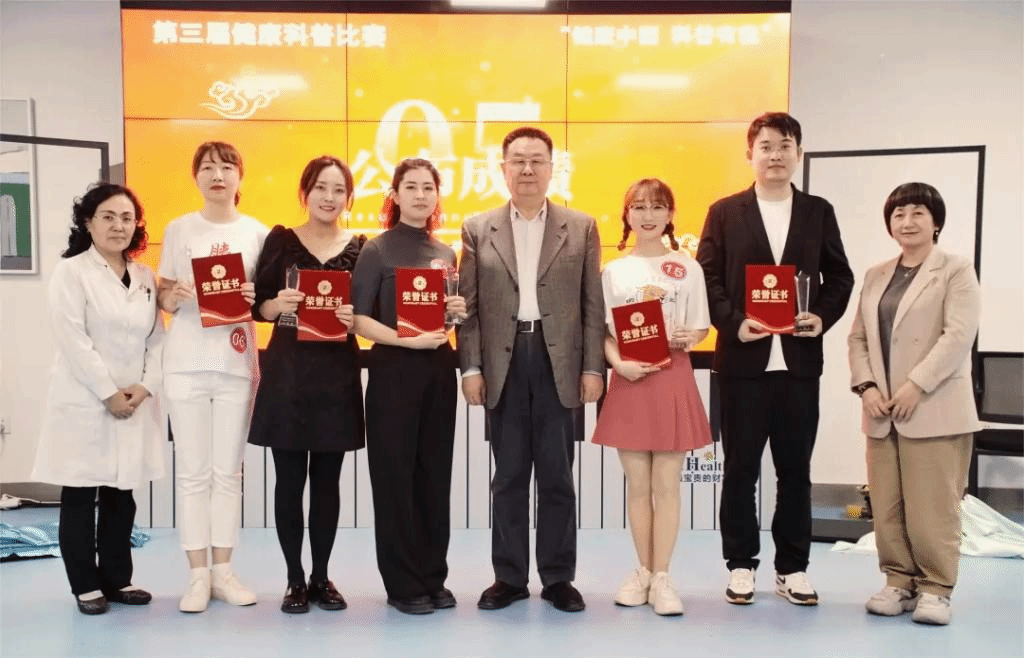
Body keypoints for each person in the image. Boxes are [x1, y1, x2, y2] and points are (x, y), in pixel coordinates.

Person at [695, 112, 853, 606]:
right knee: (740, 469)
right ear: (750, 154)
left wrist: (820, 317)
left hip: (798, 364)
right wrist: (732, 322)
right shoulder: (725, 212)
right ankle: (741, 565)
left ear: (798, 154)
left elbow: (840, 276)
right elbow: (707, 277)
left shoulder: (817, 211)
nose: (775, 155)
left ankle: (793, 568)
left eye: (785, 145)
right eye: (765, 146)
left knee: (795, 472)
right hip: (743, 364)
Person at [459, 126, 605, 613]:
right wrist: (471, 367)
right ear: (503, 169)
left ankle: (559, 578)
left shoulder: (580, 226)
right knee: (509, 476)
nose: (527, 169)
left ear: (551, 168)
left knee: (558, 475)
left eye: (536, 160)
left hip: (557, 359)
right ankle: (509, 577)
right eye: (517, 160)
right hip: (502, 361)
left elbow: (592, 304)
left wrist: (592, 367)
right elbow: (469, 308)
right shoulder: (478, 228)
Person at [848, 182, 980, 626]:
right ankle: (898, 582)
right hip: (881, 410)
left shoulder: (955, 270)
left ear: (935, 221)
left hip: (933, 406)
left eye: (918, 213)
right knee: (887, 505)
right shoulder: (876, 274)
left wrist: (916, 386)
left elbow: (958, 335)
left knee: (933, 508)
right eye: (899, 214)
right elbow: (858, 338)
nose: (907, 222)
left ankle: (936, 589)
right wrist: (866, 386)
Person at [32, 183, 164, 615]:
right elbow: (73, 339)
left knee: (121, 494)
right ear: (88, 222)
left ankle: (117, 578)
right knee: (80, 494)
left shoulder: (144, 277)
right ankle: (85, 585)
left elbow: (157, 339)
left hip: (133, 400)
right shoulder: (71, 272)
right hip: (86, 400)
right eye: (108, 216)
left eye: (127, 218)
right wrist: (108, 393)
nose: (118, 225)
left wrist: (145, 386)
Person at [248, 155, 366, 614]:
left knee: (328, 482)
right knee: (289, 480)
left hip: (337, 373)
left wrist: (354, 317)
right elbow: (258, 306)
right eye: (320, 188)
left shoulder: (361, 248)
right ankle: (294, 579)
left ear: (349, 198)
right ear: (305, 193)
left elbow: (369, 311)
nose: (329, 197)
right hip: (289, 373)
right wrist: (277, 304)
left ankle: (321, 576)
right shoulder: (280, 240)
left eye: (338, 190)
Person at [592, 179, 713, 616]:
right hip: (630, 378)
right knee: (638, 486)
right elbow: (603, 332)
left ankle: (662, 577)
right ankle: (642, 571)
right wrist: (618, 365)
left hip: (671, 376)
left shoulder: (687, 267)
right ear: (626, 215)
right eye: (639, 207)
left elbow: (700, 326)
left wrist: (689, 337)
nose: (648, 216)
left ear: (670, 215)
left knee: (667, 485)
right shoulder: (613, 271)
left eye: (657, 207)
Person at [157, 141, 269, 613]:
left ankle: (223, 571)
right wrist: (175, 296)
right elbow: (163, 296)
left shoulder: (258, 233)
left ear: (240, 176)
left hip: (235, 364)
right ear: (196, 177)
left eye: (226, 167)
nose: (217, 175)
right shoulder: (179, 228)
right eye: (207, 167)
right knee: (192, 473)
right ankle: (196, 576)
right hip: (185, 362)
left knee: (228, 473)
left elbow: (267, 303)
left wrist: (254, 294)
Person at [351, 158, 465, 615]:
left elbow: (445, 321)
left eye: (428, 188)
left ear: (437, 196)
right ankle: (402, 583)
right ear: (395, 195)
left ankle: (434, 577)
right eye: (411, 187)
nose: (420, 195)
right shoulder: (376, 250)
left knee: (434, 476)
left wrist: (454, 312)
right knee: (395, 478)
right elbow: (358, 320)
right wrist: (405, 339)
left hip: (438, 371)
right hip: (393, 371)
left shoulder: (446, 253)